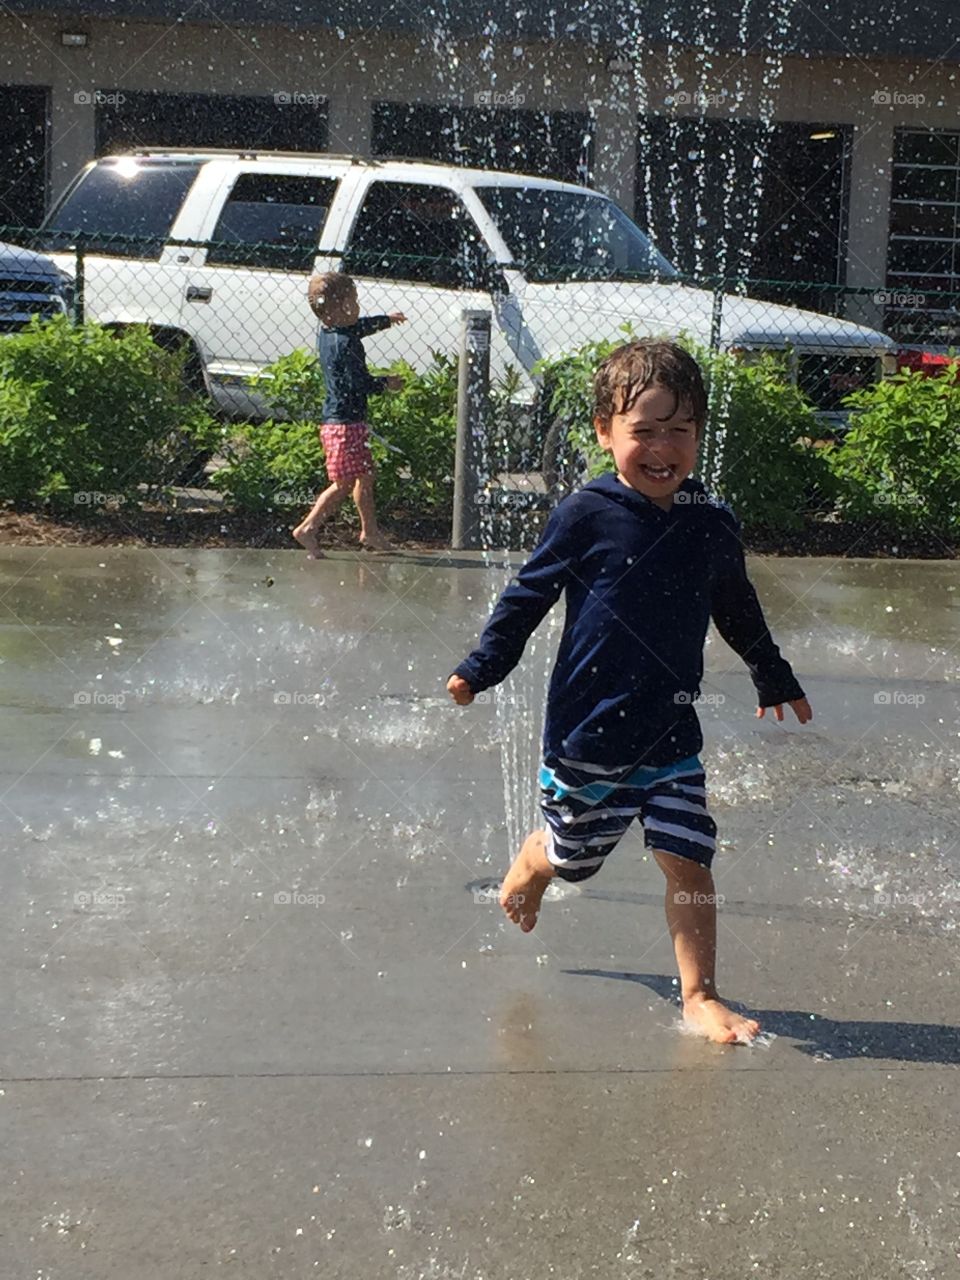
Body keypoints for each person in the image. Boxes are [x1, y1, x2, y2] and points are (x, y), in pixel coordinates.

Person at [447, 341, 812, 1045]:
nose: (662, 448)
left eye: (680, 430)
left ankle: (700, 994)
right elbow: (527, 597)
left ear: (701, 434)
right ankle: (536, 860)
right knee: (578, 858)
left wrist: (772, 671)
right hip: (590, 731)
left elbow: (735, 604)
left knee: (689, 855)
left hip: (671, 736)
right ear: (604, 432)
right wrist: (483, 665)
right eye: (643, 430)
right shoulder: (587, 513)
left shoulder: (711, 520)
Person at [293, 272, 406, 558]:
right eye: (353, 301)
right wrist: (386, 383)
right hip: (344, 425)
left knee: (365, 477)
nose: (357, 307)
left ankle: (370, 532)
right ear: (336, 309)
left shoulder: (331, 332)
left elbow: (359, 326)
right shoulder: (346, 345)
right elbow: (358, 382)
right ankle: (308, 528)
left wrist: (385, 320)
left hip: (343, 422)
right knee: (344, 484)